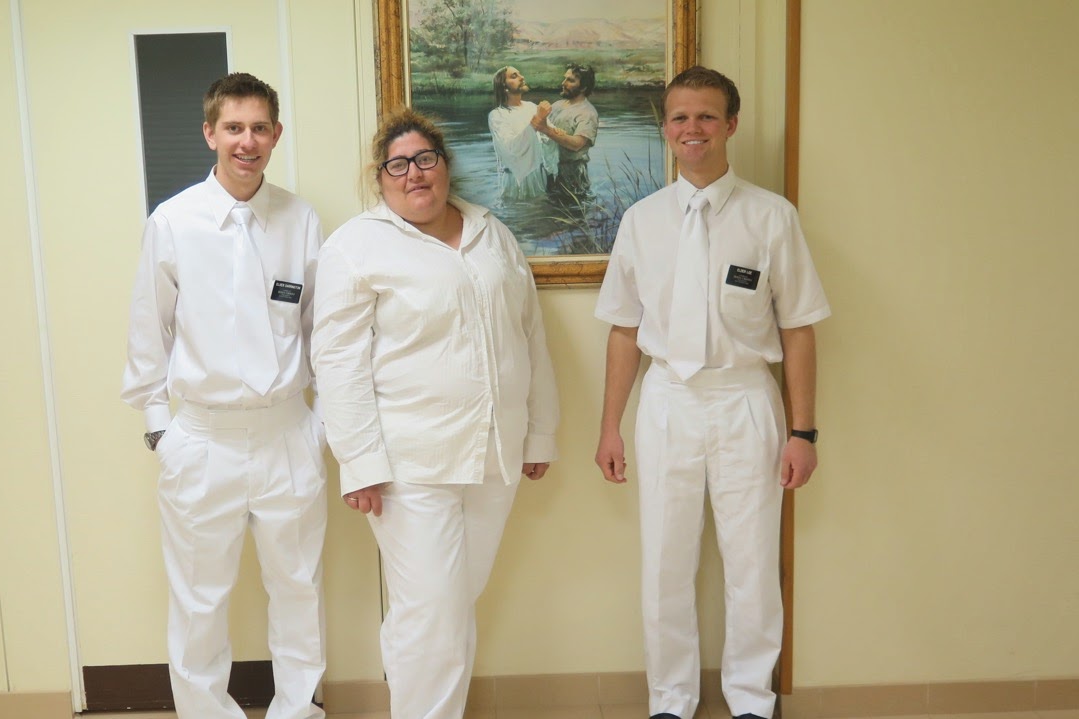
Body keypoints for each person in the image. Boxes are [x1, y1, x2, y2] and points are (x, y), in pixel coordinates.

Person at [593, 66, 830, 719]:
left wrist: (803, 431)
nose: (691, 128)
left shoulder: (771, 217)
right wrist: (611, 425)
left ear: (731, 124)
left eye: (705, 116)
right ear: (664, 128)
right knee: (665, 561)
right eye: (679, 117)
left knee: (751, 560)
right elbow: (623, 330)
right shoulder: (641, 221)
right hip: (667, 400)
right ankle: (670, 697)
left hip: (746, 400)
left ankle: (752, 698)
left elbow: (799, 328)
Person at [311, 108, 560, 719]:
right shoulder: (355, 247)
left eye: (426, 159)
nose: (414, 173)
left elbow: (529, 336)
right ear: (380, 178)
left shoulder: (490, 232)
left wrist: (539, 435)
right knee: (438, 622)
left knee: (440, 609)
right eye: (398, 165)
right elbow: (337, 364)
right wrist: (359, 462)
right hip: (408, 465)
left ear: (445, 166)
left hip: (495, 456)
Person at [121, 72, 327, 719]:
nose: (247, 141)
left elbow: (324, 329)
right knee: (200, 601)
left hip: (288, 433)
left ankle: (299, 711)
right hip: (202, 439)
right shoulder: (174, 221)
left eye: (259, 127)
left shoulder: (301, 220)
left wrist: (320, 425)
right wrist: (162, 427)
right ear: (210, 132)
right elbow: (146, 330)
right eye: (234, 127)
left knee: (298, 590)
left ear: (276, 135)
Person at [488, 65, 557, 200]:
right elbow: (511, 148)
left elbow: (547, 135)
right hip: (516, 179)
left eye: (520, 74)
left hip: (539, 175)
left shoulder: (531, 106)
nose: (522, 77)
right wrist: (537, 120)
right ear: (504, 86)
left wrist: (554, 131)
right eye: (514, 76)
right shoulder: (497, 115)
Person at [531, 63, 599, 198]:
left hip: (572, 173)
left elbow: (577, 144)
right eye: (565, 78)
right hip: (550, 168)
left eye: (570, 80)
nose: (563, 83)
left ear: (584, 87)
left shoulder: (587, 113)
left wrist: (546, 129)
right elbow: (540, 131)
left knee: (572, 212)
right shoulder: (557, 105)